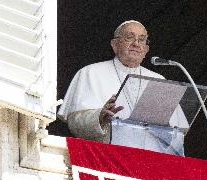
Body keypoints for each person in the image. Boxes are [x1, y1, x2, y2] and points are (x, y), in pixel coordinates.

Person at [58, 20, 189, 155]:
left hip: (151, 162)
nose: (136, 44)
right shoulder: (90, 73)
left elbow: (178, 131)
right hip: (107, 158)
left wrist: (165, 127)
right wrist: (99, 118)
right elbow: (74, 122)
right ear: (114, 45)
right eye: (129, 38)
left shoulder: (159, 81)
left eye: (142, 40)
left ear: (146, 50)